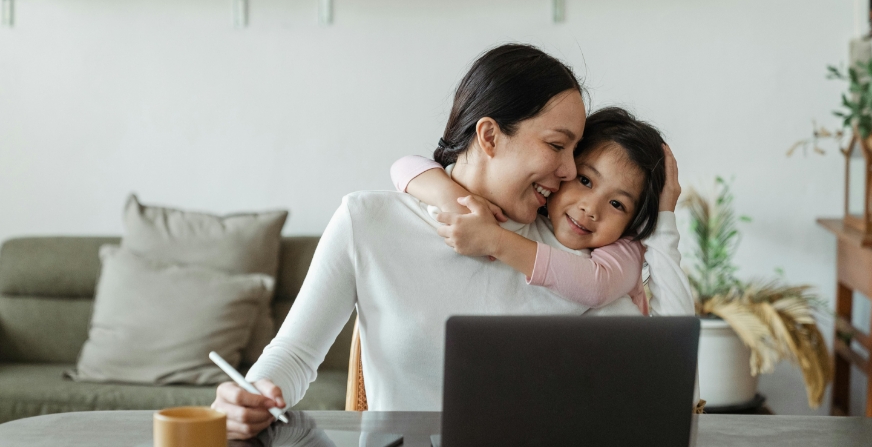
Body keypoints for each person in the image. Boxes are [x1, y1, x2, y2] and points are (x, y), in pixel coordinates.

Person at [211, 43, 695, 440]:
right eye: (556, 145)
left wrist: (665, 224)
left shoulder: (576, 257)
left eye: (575, 151)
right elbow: (294, 356)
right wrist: (251, 393)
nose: (569, 172)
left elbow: (666, 385)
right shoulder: (368, 222)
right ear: (489, 136)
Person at [390, 107, 675, 315]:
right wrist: (454, 199)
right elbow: (404, 165)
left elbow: (596, 286)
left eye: (617, 204)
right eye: (585, 180)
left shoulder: (625, 247)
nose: (591, 208)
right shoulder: (532, 211)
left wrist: (495, 241)